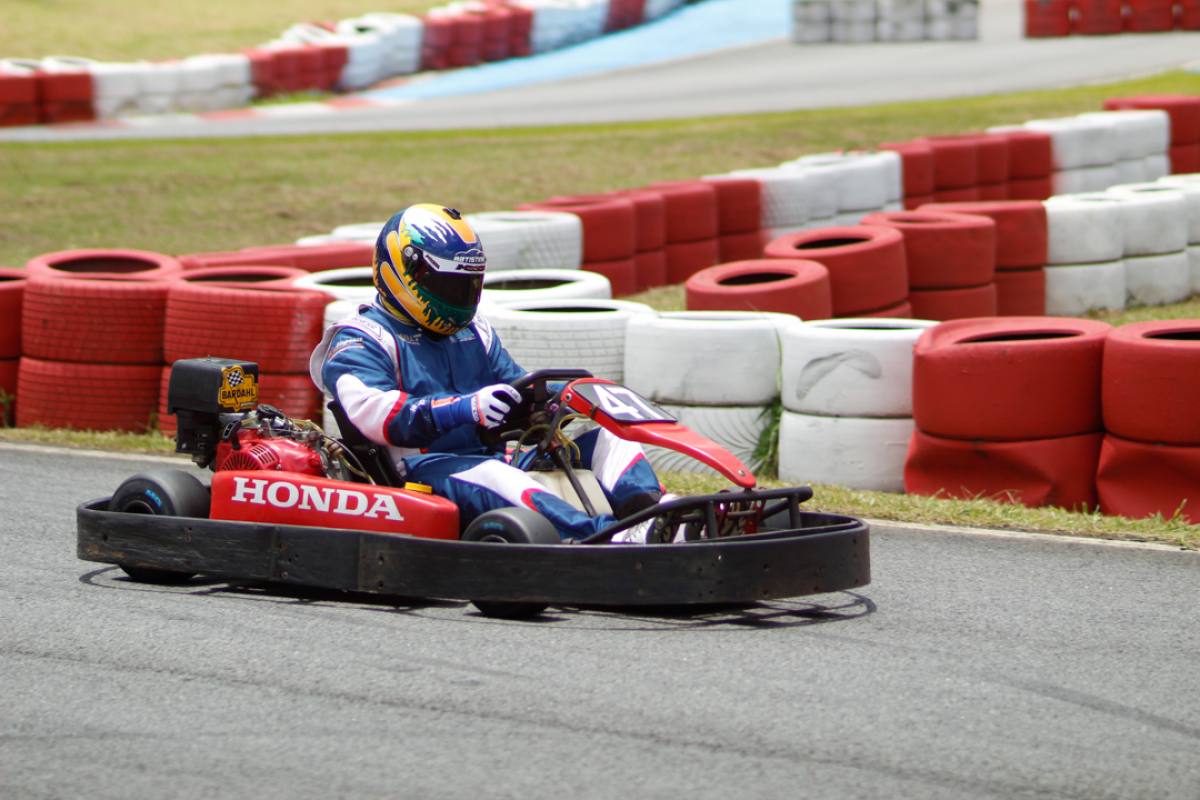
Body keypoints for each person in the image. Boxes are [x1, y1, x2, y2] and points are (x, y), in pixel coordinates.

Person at [309, 204, 667, 542]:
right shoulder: (360, 338)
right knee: (499, 477)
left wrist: (570, 395)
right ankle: (609, 537)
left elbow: (519, 386)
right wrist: (465, 408)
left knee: (611, 438)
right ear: (404, 272)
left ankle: (655, 519)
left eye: (469, 285)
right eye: (450, 286)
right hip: (422, 470)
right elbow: (377, 415)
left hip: (492, 457)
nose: (461, 296)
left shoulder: (473, 332)